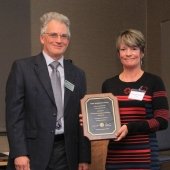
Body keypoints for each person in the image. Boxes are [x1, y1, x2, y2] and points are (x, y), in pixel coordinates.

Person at [6, 12, 91, 170]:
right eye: (53, 35)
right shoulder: (23, 68)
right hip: (32, 154)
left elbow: (82, 120)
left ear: (68, 41)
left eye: (64, 36)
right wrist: (19, 153)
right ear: (42, 38)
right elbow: (14, 116)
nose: (59, 40)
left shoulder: (77, 74)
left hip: (68, 154)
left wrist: (83, 157)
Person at [101, 29, 170, 169]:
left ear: (142, 52)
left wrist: (130, 127)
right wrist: (90, 122)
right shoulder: (108, 84)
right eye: (123, 49)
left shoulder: (154, 81)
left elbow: (162, 121)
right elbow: (106, 120)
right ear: (118, 54)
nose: (128, 53)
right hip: (115, 157)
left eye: (134, 48)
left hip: (144, 156)